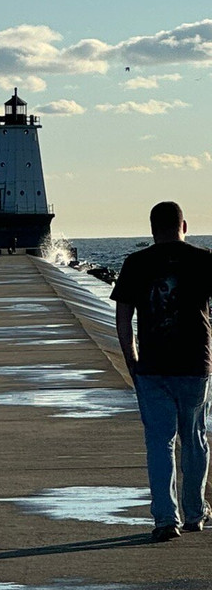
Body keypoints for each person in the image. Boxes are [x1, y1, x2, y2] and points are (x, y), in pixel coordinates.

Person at [111, 201, 212, 542]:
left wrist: (131, 359)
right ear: (185, 226)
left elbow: (123, 319)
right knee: (195, 440)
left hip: (152, 367)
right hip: (196, 365)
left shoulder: (135, 263)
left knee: (159, 442)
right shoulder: (204, 259)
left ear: (152, 229)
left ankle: (165, 519)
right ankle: (195, 513)